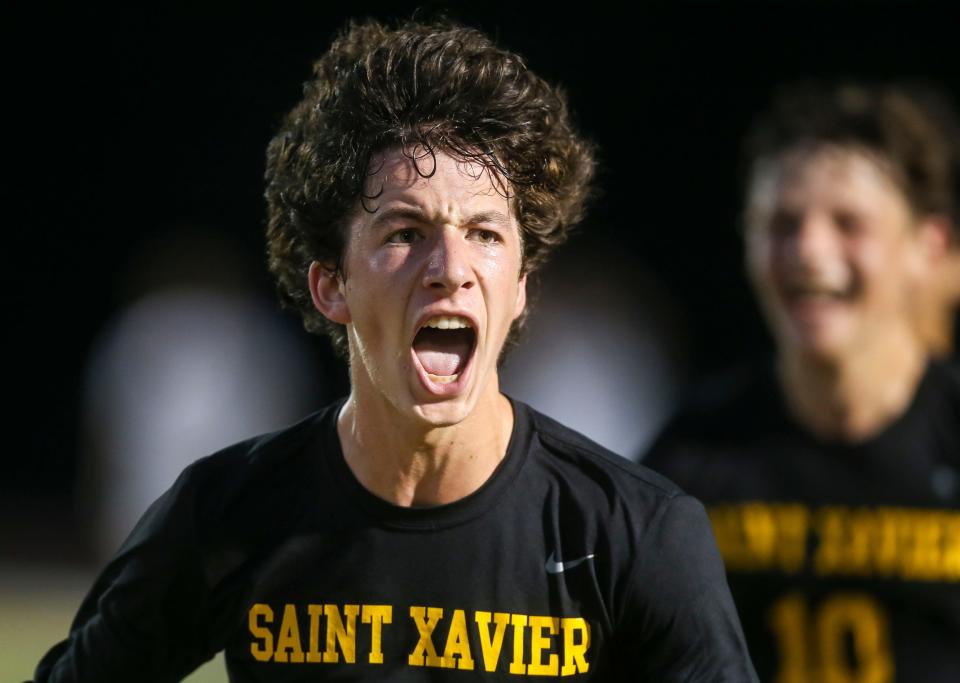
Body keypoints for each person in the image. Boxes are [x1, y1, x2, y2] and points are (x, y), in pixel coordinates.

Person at [34, 19, 757, 682]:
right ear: (330, 286)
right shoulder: (225, 515)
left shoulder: (635, 534)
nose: (449, 266)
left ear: (521, 289)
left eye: (485, 232)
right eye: (405, 231)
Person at [645, 83, 960, 683]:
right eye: (782, 223)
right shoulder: (690, 463)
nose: (810, 251)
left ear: (928, 246)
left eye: (849, 223)